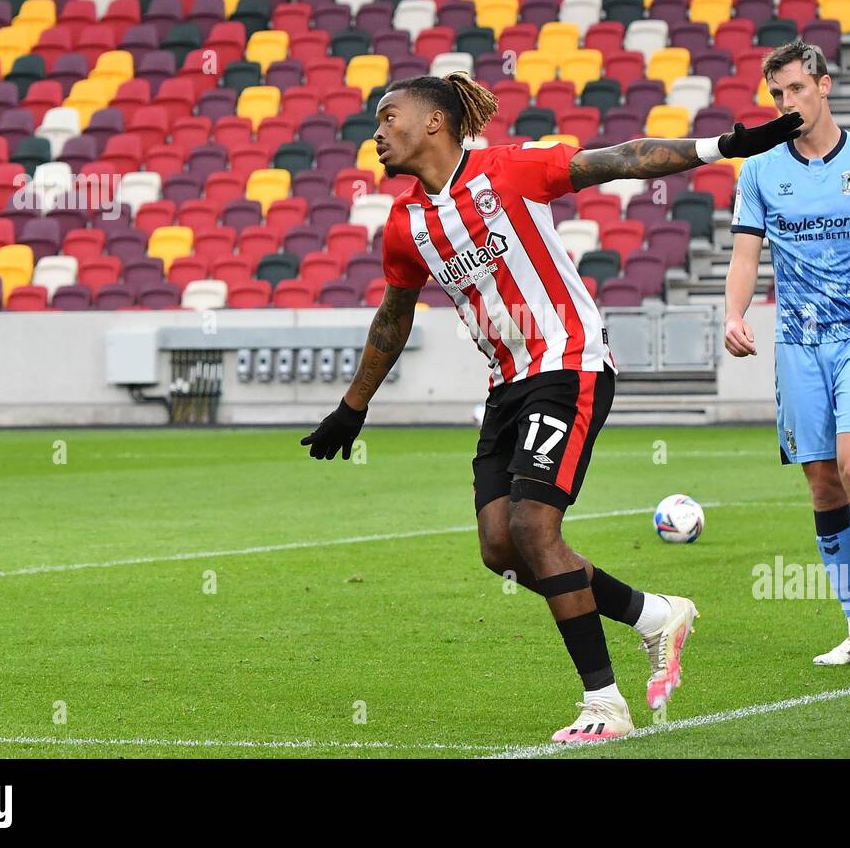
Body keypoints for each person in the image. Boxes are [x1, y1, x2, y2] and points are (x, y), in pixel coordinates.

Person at [301, 71, 801, 741]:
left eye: (390, 116)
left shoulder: (512, 169)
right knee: (500, 547)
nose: (377, 131)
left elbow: (622, 158)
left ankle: (605, 706)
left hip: (568, 361)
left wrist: (726, 145)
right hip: (505, 384)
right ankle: (653, 614)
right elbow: (392, 317)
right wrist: (352, 406)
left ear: (433, 123)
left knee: (535, 528)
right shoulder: (403, 226)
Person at [723, 40, 850, 668]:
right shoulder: (759, 169)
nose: (787, 103)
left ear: (823, 84)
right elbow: (744, 255)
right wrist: (733, 314)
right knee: (821, 485)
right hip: (797, 344)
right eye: (777, 94)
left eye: (795, 89)